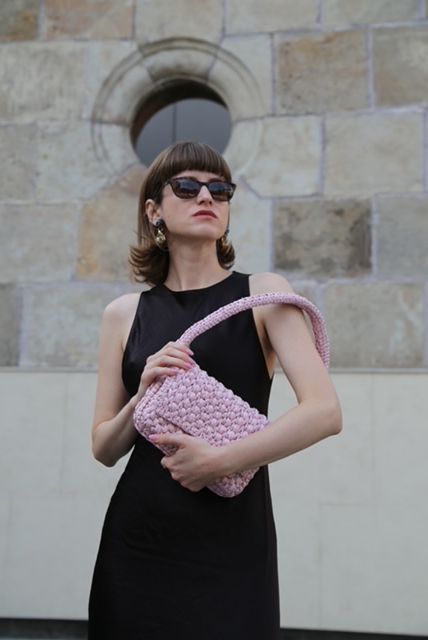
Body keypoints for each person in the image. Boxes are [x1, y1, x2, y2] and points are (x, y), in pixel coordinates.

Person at [88, 141, 342, 639]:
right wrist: (142, 395)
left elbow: (325, 411)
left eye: (220, 189)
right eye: (187, 186)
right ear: (154, 211)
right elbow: (103, 448)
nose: (206, 196)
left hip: (233, 543)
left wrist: (220, 462)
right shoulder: (122, 314)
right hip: (138, 543)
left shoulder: (263, 293)